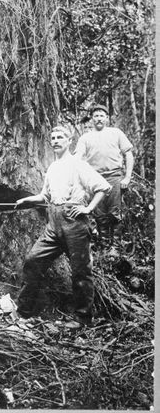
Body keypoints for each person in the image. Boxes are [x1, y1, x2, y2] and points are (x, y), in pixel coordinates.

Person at [15, 125, 111, 328]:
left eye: (61, 137)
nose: (56, 140)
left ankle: (83, 318)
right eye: (53, 137)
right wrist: (27, 200)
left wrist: (88, 209)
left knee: (80, 272)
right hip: (53, 222)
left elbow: (103, 187)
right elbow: (45, 196)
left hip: (74, 222)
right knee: (33, 260)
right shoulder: (52, 167)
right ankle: (23, 311)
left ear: (69, 141)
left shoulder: (77, 164)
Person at [75, 104, 134, 243]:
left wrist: (127, 177)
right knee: (99, 213)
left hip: (114, 176)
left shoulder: (116, 133)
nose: (99, 119)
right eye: (96, 116)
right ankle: (104, 246)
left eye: (102, 116)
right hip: (95, 179)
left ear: (107, 118)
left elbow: (129, 154)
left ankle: (116, 247)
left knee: (115, 212)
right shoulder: (85, 137)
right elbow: (78, 157)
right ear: (91, 119)